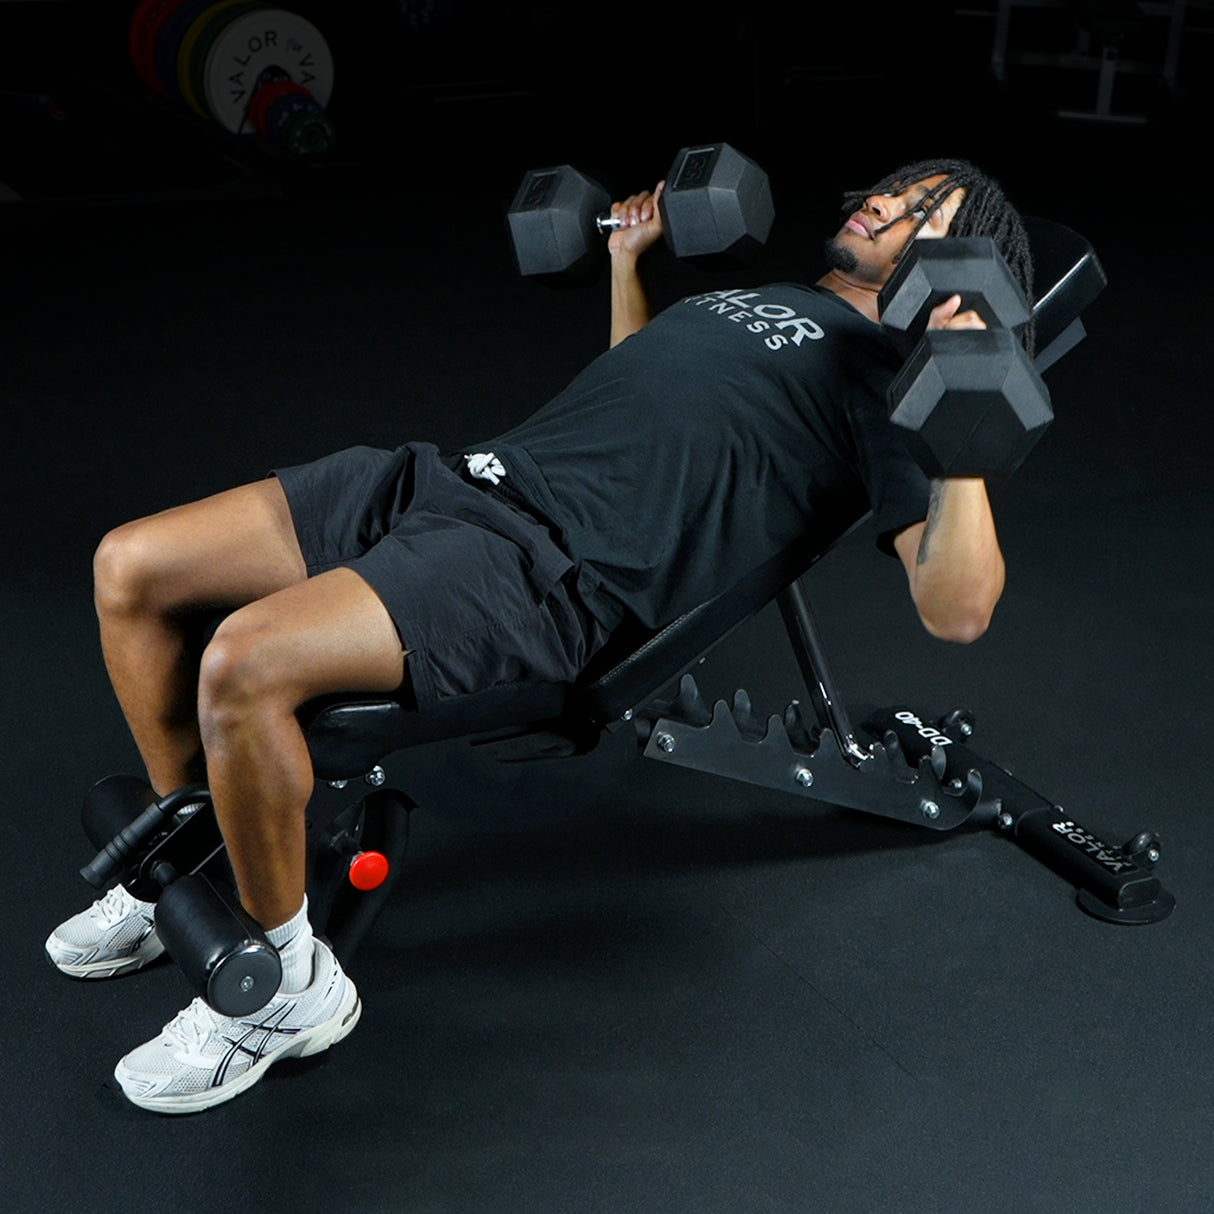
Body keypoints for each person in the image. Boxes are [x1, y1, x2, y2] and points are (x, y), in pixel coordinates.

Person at [46, 157, 1029, 1113]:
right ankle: (206, 860)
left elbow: (957, 605)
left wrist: (965, 400)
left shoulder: (894, 384)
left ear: (960, 265)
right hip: (454, 479)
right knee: (129, 566)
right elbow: (632, 387)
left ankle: (288, 985)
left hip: (545, 568)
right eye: (896, 185)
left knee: (243, 662)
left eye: (925, 208)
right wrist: (625, 262)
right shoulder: (767, 293)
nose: (887, 202)